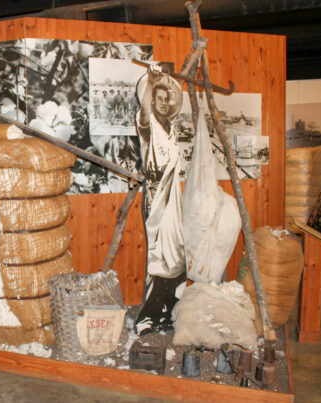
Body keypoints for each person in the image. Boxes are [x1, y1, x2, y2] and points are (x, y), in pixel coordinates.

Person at [134, 67, 186, 335]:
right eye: (159, 98)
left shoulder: (172, 128)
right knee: (160, 256)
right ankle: (147, 316)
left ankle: (168, 310)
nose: (164, 103)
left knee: (177, 254)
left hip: (173, 195)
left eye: (168, 99)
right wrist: (151, 83)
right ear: (152, 100)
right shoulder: (148, 124)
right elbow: (144, 112)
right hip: (156, 194)